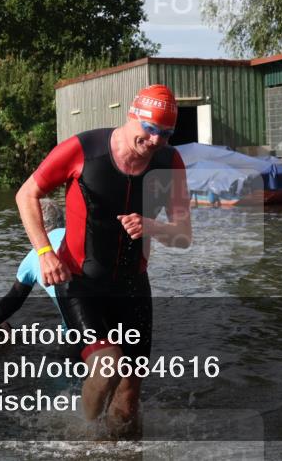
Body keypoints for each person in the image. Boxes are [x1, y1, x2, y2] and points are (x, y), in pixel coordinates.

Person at [15, 84, 192, 432]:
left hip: (132, 287)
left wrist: (152, 226)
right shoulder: (85, 149)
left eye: (166, 134)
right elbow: (27, 194)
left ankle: (122, 451)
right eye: (151, 129)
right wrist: (44, 251)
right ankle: (85, 435)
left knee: (129, 397)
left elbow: (184, 235)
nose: (156, 141)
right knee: (107, 366)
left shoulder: (169, 162)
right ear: (132, 115)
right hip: (80, 281)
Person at [0, 196, 66, 329]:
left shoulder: (34, 256)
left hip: (79, 330)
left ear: (35, 225)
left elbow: (12, 302)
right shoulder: (81, 236)